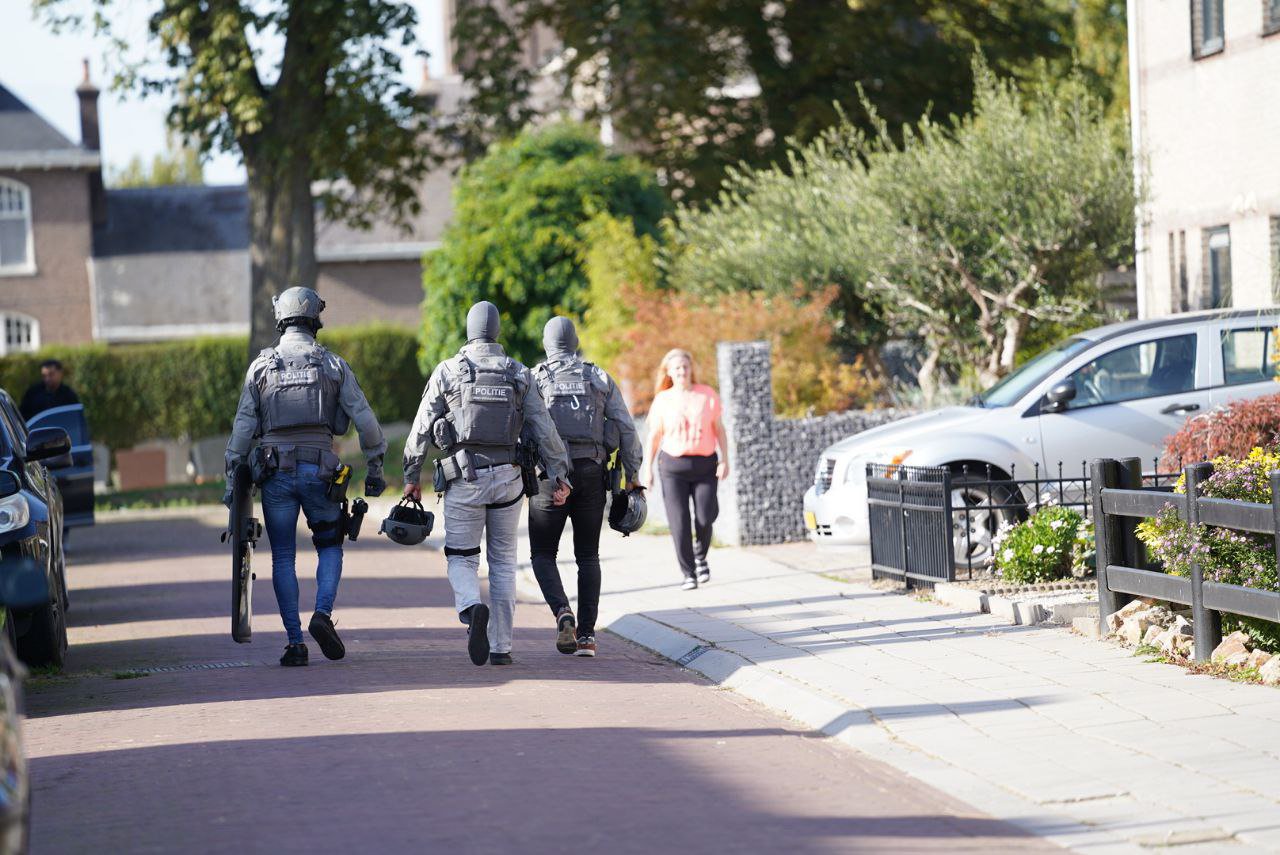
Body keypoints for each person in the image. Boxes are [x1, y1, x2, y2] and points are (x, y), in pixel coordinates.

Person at [225, 287, 387, 667]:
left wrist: (233, 480)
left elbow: (243, 427)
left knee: (283, 556)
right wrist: (375, 466)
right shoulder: (332, 365)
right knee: (330, 545)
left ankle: (295, 643)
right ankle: (322, 614)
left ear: (280, 319)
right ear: (316, 319)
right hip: (321, 473)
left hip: (274, 475)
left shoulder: (261, 367)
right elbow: (365, 421)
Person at [403, 301, 571, 667]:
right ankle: (501, 647)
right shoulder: (518, 372)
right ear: (496, 331)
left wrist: (411, 476)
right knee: (503, 562)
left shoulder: (449, 370)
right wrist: (559, 473)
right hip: (509, 478)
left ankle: (470, 607)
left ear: (469, 330)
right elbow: (544, 427)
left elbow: (420, 427)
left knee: (462, 556)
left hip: (464, 479)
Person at [528, 316, 643, 658]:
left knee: (543, 554)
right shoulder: (598, 377)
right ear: (575, 342)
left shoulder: (535, 378)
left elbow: (522, 427)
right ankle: (588, 637)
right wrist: (633, 474)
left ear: (547, 343)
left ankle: (563, 611)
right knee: (588, 555)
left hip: (549, 476)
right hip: (592, 471)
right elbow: (626, 427)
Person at [639, 349, 730, 590]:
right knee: (679, 522)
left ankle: (700, 556)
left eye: (685, 366)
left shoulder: (707, 394)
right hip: (672, 468)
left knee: (705, 516)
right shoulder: (662, 400)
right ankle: (689, 573)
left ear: (691, 369)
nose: (682, 371)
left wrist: (725, 460)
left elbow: (720, 430)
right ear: (669, 372)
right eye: (677, 368)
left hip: (705, 465)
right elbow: (654, 437)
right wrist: (647, 469)